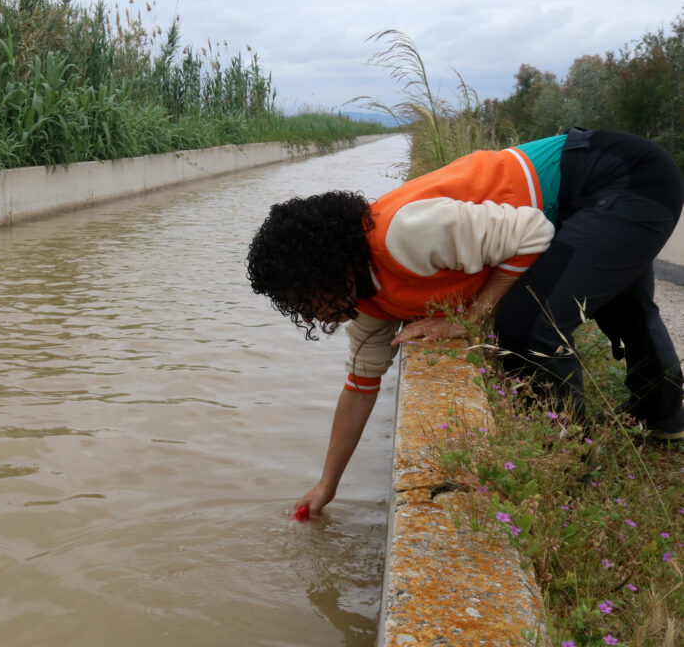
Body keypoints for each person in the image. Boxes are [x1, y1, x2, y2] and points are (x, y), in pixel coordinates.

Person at [245, 128, 684, 517]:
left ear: (328, 268)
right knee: (623, 306)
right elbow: (359, 389)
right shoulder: (366, 304)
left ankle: (569, 477)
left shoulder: (402, 234)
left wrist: (471, 320)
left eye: (303, 296)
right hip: (589, 198)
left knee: (529, 324)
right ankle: (666, 418)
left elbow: (532, 234)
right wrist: (327, 485)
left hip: (620, 175)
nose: (306, 313)